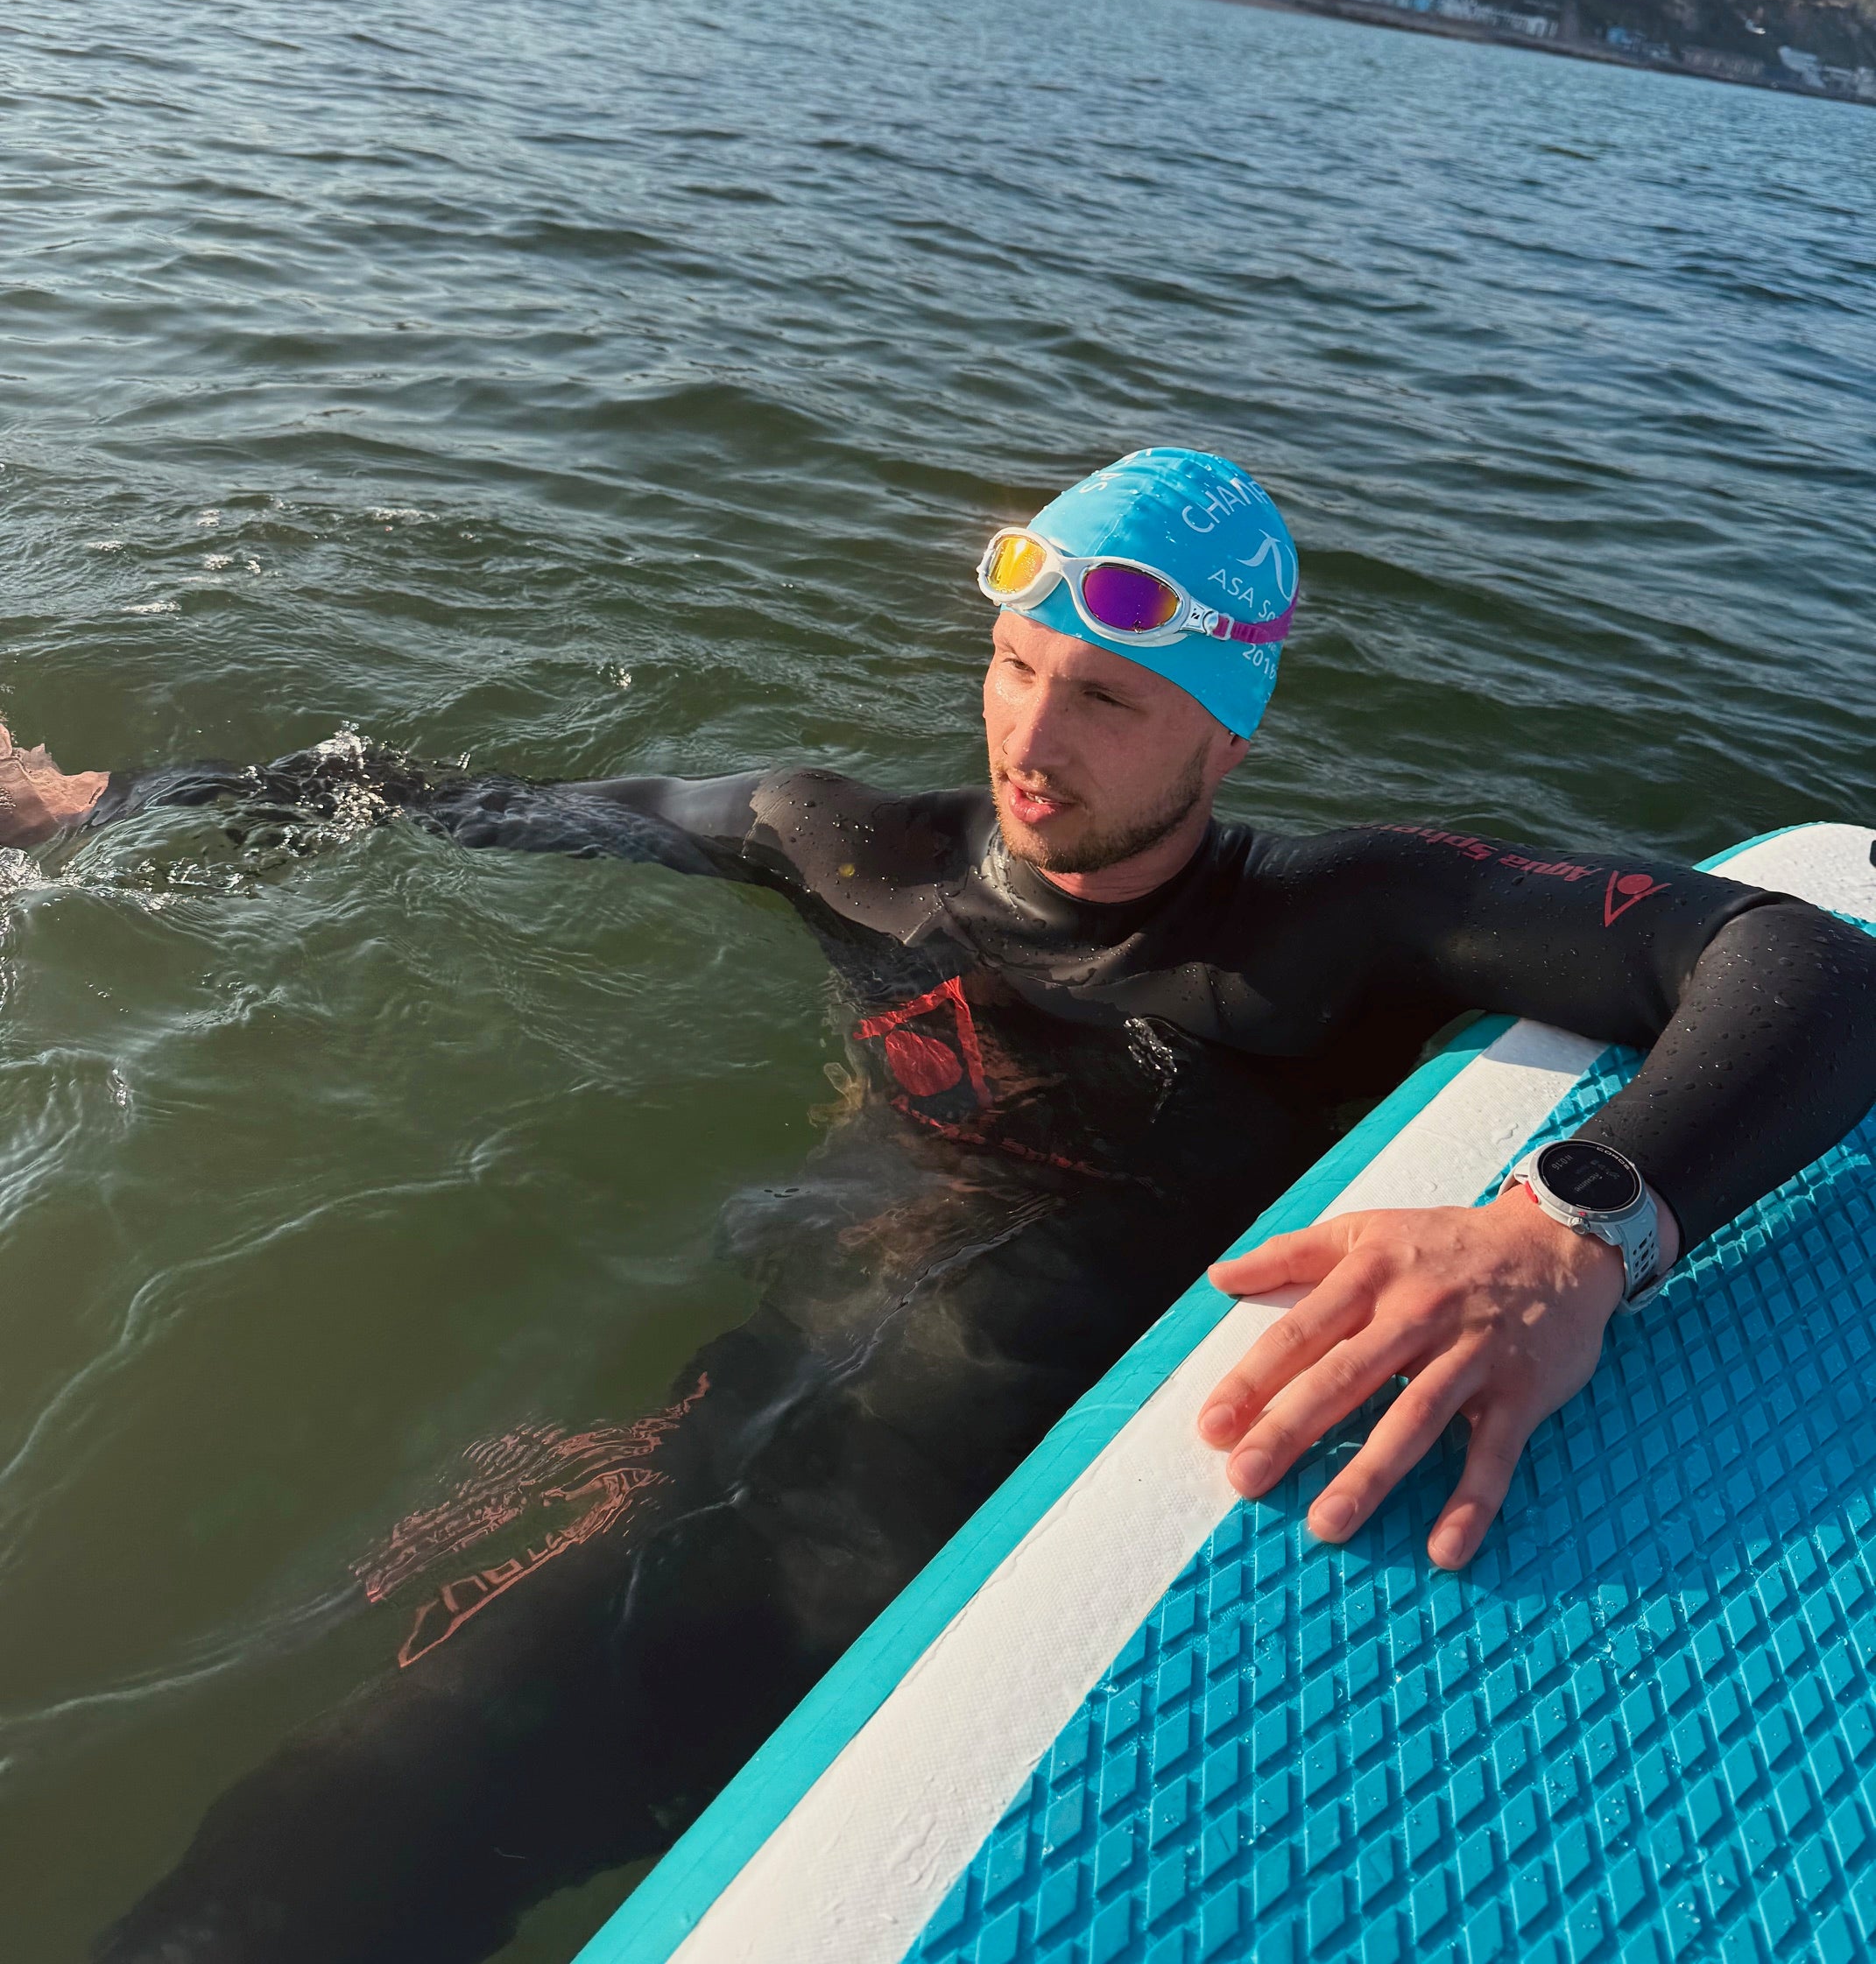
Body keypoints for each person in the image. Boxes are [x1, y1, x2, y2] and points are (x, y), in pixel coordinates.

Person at [9, 447, 1872, 1964]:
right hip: (772, 1362)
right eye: (1014, 667)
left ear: (1229, 741)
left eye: (1112, 702)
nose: (1032, 741)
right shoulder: (850, 853)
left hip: (970, 1459)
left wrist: (1575, 1228)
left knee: (371, 1823)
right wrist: (109, 804)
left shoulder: (1329, 935)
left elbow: (1806, 961)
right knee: (332, 1776)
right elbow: (468, 804)